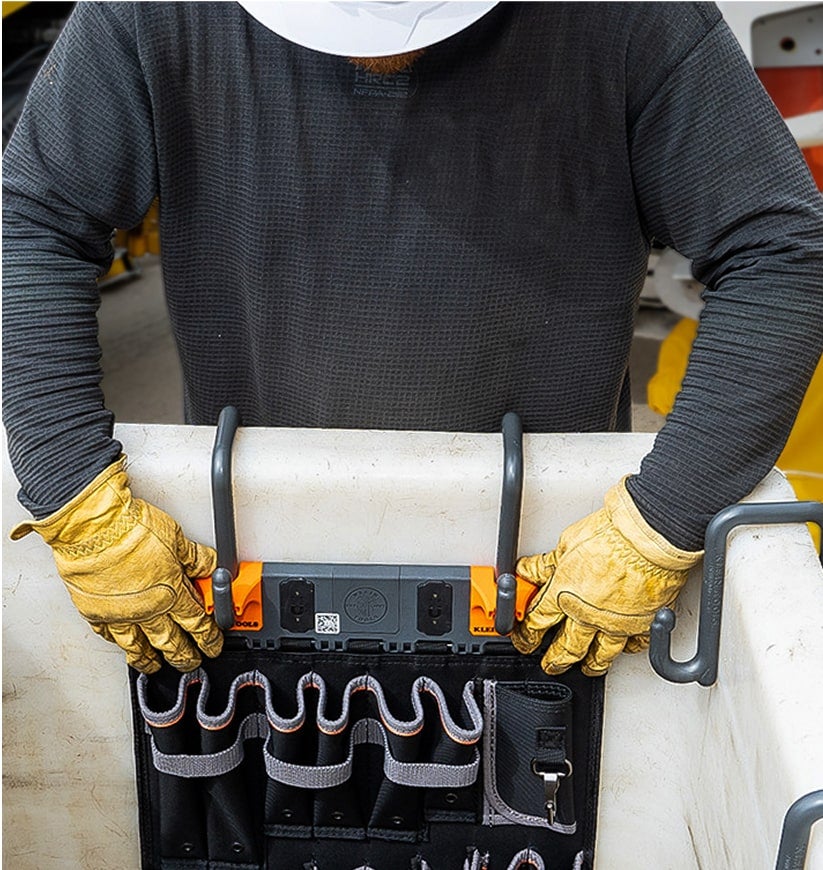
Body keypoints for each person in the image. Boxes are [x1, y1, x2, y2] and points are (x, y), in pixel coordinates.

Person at [3, 1, 822, 679]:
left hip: (550, 561)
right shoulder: (153, 11)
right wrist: (75, 493)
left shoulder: (629, 16)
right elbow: (34, 219)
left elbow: (780, 252)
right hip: (237, 542)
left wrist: (664, 517)